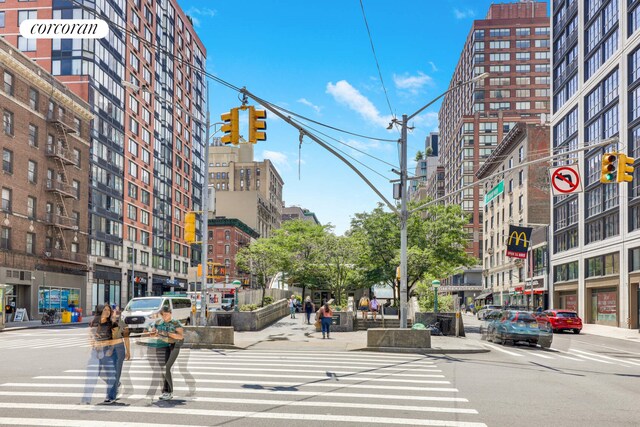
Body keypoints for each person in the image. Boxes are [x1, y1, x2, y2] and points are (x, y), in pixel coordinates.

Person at [146, 305, 184, 401]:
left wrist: (167, 333)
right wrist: (153, 333)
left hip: (173, 346)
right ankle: (165, 391)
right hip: (161, 346)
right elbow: (152, 333)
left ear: (170, 313)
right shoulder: (158, 322)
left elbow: (180, 337)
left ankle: (169, 391)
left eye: (166, 314)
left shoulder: (175, 323)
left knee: (167, 368)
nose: (165, 316)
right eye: (163, 314)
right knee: (162, 369)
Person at [82, 304, 117, 404]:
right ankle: (86, 400)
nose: (107, 312)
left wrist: (110, 350)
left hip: (108, 351)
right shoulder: (94, 323)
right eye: (105, 310)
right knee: (95, 374)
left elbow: (115, 338)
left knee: (110, 374)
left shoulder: (113, 324)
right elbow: (91, 335)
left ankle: (110, 396)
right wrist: (93, 343)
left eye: (109, 310)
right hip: (96, 351)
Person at [110, 306, 131, 400]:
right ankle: (117, 383)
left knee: (117, 370)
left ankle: (114, 390)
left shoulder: (122, 323)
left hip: (119, 348)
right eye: (114, 313)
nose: (116, 315)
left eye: (118, 314)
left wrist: (128, 351)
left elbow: (126, 337)